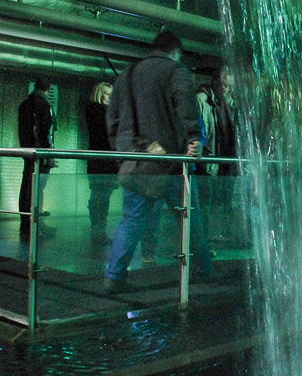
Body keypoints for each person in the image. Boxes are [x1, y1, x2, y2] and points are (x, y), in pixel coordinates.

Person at [104, 31, 211, 294]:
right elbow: (185, 107)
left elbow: (113, 121)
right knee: (189, 218)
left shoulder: (125, 75)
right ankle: (203, 270)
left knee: (132, 220)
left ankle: (114, 276)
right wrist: (194, 139)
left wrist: (123, 155)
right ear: (175, 52)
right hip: (172, 163)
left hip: (137, 162)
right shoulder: (176, 71)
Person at [196, 68, 239, 245]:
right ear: (216, 83)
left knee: (224, 202)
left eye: (231, 86)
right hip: (208, 164)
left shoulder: (234, 105)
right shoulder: (202, 100)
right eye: (225, 85)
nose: (228, 90)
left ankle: (222, 238)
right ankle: (203, 243)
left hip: (228, 163)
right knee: (205, 206)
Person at [18, 76, 56, 237]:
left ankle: (26, 223)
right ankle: (36, 225)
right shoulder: (45, 105)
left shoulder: (24, 105)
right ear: (47, 89)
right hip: (40, 154)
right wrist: (49, 154)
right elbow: (45, 132)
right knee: (38, 190)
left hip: (28, 152)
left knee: (27, 187)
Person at [85, 82, 118, 245]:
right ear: (100, 94)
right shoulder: (99, 111)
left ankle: (98, 231)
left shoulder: (96, 111)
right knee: (101, 198)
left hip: (102, 162)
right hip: (103, 163)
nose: (110, 98)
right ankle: (98, 231)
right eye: (107, 94)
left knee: (101, 198)